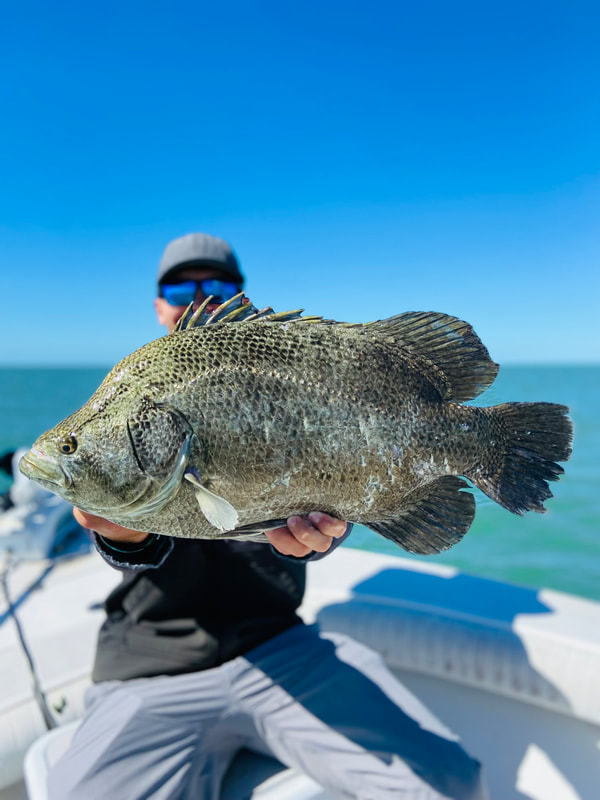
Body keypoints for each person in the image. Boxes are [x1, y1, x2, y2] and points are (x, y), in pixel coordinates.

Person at [47, 233, 487, 799]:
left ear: (240, 293)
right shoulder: (133, 390)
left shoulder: (263, 366)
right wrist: (125, 536)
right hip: (149, 666)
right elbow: (123, 532)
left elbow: (331, 470)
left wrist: (328, 532)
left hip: (280, 648)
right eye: (181, 286)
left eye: (218, 285)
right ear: (159, 304)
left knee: (451, 782)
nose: (198, 296)